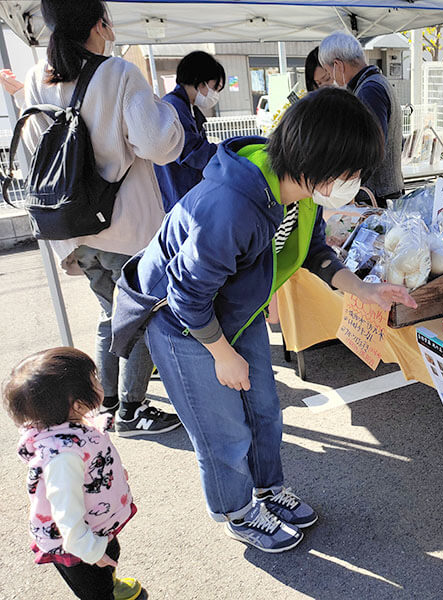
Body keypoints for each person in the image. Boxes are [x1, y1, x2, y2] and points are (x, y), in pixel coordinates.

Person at [111, 87, 417, 553]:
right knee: (223, 429)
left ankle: (267, 489)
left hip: (236, 308)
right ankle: (237, 510)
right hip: (181, 320)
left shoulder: (302, 189)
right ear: (321, 161)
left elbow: (313, 251)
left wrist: (366, 290)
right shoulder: (231, 204)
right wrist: (221, 353)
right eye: (352, 171)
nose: (355, 181)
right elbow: (187, 294)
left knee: (265, 410)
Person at [0, 0, 184, 437]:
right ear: (102, 23)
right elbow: (160, 145)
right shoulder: (119, 74)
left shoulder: (35, 78)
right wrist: (165, 108)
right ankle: (133, 410)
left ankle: (103, 401)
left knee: (110, 314)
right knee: (144, 315)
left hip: (74, 230)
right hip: (126, 229)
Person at [3, 347, 143, 600]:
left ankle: (109, 584)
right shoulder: (62, 457)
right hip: (77, 546)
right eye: (95, 380)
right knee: (95, 587)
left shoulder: (72, 423)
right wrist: (91, 551)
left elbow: (94, 461)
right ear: (77, 404)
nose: (99, 383)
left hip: (96, 523)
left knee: (110, 555)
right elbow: (66, 515)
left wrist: (114, 473)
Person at [319, 31, 404, 207]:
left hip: (376, 196)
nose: (332, 79)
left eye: (329, 72)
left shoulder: (369, 90)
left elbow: (371, 148)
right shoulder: (376, 82)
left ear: (338, 65)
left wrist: (346, 186)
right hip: (385, 191)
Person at [154, 51, 225, 212]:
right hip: (177, 196)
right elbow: (191, 152)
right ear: (200, 83)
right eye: (215, 88)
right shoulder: (174, 107)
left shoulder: (187, 107)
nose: (215, 95)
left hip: (184, 193)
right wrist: (225, 150)